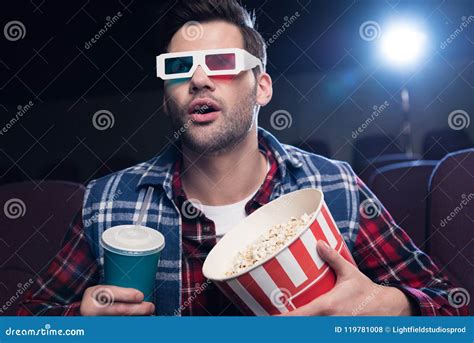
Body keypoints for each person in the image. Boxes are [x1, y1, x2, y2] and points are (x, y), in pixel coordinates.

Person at [18, 0, 468, 316]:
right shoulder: (106, 203)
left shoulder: (336, 188)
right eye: (179, 68)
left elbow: (453, 309)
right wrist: (78, 324)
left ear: (263, 87)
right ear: (166, 98)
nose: (198, 79)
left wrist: (394, 306)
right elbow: (24, 323)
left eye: (221, 61)